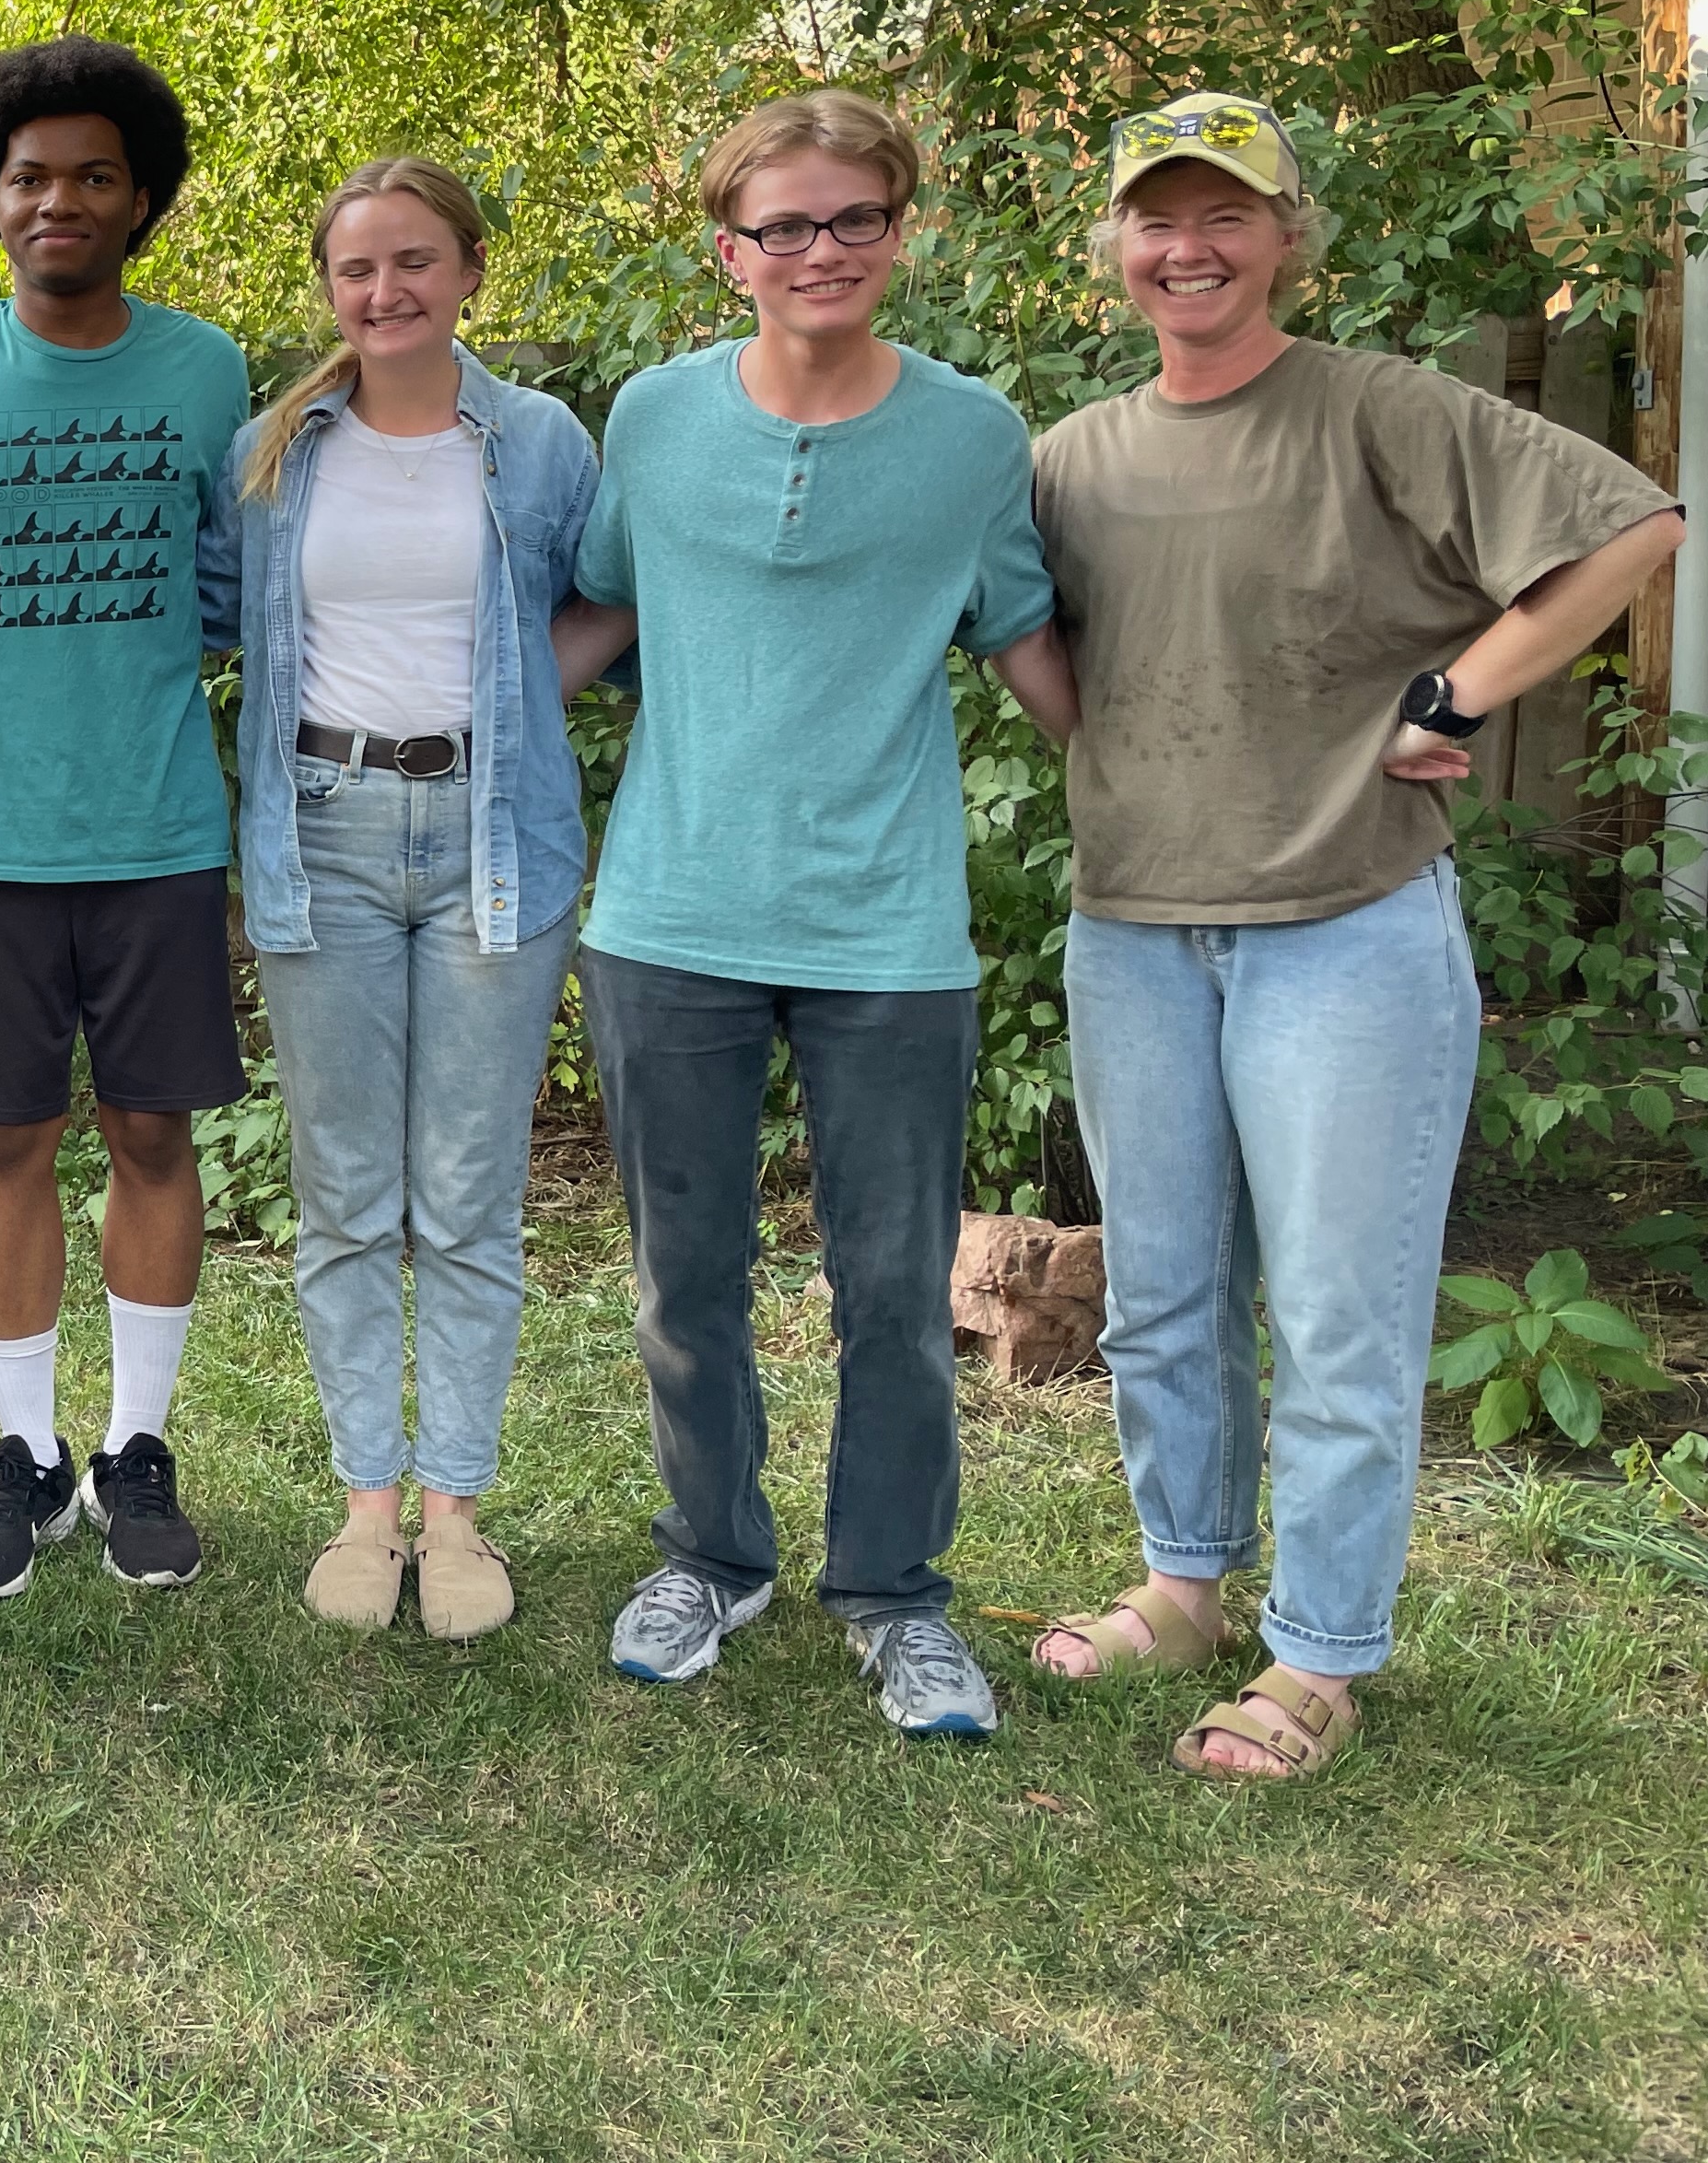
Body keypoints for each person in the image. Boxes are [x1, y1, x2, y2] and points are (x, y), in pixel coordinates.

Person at [1025, 92, 1681, 1778]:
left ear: (1287, 236)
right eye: (1158, 219)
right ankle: (1185, 1584)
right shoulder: (1073, 458)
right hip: (1134, 930)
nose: (1192, 246)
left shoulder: (1376, 409)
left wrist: (1453, 693)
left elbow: (1632, 527)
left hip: (1348, 923)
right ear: (1116, 249)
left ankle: (1320, 1654)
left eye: (1227, 214)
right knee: (1166, 1296)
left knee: (1333, 1312)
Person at [561, 87, 1072, 1737]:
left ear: (900, 234)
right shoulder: (648, 418)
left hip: (887, 930)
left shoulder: (976, 436)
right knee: (682, 1277)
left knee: (899, 1290)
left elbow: (1033, 651)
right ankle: (711, 1557)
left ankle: (894, 1596)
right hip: (669, 913)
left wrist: (1198, 775)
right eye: (785, 225)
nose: (822, 249)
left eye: (855, 218)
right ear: (731, 255)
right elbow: (592, 615)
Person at [0, 37, 252, 1597]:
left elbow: (244, 573)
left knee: (152, 1131)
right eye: (30, 177)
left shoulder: (210, 368)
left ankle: (135, 1448)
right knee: (7, 1137)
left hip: (158, 820)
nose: (60, 199)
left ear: (140, 196)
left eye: (94, 174)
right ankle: (22, 1451)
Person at [230, 158, 598, 1639]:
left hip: (491, 840)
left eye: (415, 263)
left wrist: (504, 709)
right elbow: (216, 604)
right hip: (317, 830)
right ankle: (364, 1506)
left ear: (470, 270)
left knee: (465, 1194)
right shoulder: (275, 450)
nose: (385, 294)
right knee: (343, 1196)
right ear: (330, 287)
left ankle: (456, 1510)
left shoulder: (542, 441)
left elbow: (607, 590)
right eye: (356, 269)